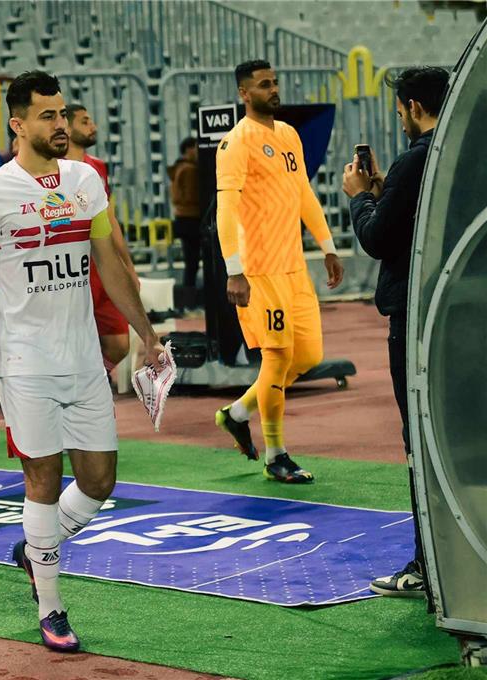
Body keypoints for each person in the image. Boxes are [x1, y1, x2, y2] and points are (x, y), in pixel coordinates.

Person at [0, 71, 165, 652]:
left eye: (63, 113)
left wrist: (147, 333)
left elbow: (109, 264)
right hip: (24, 362)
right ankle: (52, 607)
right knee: (42, 479)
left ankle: (34, 550)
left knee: (99, 480)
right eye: (47, 115)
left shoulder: (84, 180)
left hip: (83, 357)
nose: (61, 124)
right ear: (18, 125)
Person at [343, 66, 449, 598]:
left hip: (413, 313)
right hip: (453, 311)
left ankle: (427, 567)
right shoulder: (457, 152)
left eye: (400, 109)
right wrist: (389, 194)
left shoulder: (415, 158)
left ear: (412, 107)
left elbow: (378, 239)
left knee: (420, 440)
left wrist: (361, 197)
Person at [214, 60, 345, 482]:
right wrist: (234, 270)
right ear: (244, 93)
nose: (273, 89)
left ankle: (237, 413)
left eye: (275, 83)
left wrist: (327, 246)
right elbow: (225, 209)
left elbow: (303, 193)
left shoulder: (288, 134)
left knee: (309, 356)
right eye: (263, 85)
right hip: (259, 270)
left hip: (293, 267)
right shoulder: (236, 142)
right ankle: (276, 456)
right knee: (278, 356)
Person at [65, 103, 138, 376]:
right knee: (72, 344)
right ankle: (85, 386)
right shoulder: (54, 169)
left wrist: (128, 266)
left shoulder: (97, 167)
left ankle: (96, 379)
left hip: (102, 266)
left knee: (119, 344)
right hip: (72, 268)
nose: (93, 127)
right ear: (67, 128)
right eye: (85, 121)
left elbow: (109, 218)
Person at [169, 137, 201, 292]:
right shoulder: (190, 170)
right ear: (189, 149)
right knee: (193, 261)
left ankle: (189, 293)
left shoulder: (179, 167)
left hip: (181, 218)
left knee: (190, 260)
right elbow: (192, 195)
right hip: (192, 218)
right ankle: (190, 294)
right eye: (196, 147)